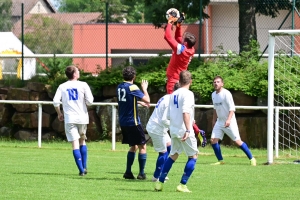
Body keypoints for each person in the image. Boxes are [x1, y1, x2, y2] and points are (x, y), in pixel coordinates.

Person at [155, 70, 198, 193]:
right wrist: (189, 129)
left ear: (179, 81)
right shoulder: (188, 94)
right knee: (193, 156)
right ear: (190, 81)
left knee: (173, 155)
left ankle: (160, 182)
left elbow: (169, 115)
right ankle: (182, 185)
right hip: (184, 130)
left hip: (173, 129)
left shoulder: (173, 94)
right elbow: (185, 112)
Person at [53, 65, 94, 176]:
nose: (79, 72)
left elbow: (56, 102)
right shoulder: (83, 85)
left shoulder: (62, 86)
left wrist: (59, 113)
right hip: (82, 118)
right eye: (78, 71)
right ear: (75, 74)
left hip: (69, 118)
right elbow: (90, 101)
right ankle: (84, 166)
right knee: (82, 141)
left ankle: (81, 170)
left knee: (75, 144)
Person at [211, 75, 256, 166]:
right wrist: (213, 120)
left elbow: (232, 108)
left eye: (218, 82)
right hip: (219, 121)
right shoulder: (213, 95)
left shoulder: (226, 94)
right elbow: (215, 109)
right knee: (213, 140)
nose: (216, 83)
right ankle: (221, 160)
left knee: (237, 141)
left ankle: (252, 158)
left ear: (222, 84)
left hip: (229, 121)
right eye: (214, 82)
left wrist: (228, 120)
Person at [117, 66, 150, 180]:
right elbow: (148, 100)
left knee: (133, 146)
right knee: (142, 146)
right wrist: (144, 88)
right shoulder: (133, 87)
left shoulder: (120, 86)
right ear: (134, 77)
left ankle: (128, 172)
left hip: (123, 121)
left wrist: (138, 103)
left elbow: (127, 100)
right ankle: (141, 173)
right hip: (133, 122)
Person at [146, 83, 180, 182]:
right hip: (156, 128)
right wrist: (176, 126)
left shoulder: (167, 97)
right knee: (163, 152)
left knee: (169, 147)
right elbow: (164, 120)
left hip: (160, 127)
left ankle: (162, 173)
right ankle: (156, 177)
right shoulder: (171, 101)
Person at [164, 13, 196, 94]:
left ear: (185, 43)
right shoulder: (191, 49)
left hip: (174, 81)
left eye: (183, 38)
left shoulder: (181, 50)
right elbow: (178, 38)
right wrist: (179, 24)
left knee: (172, 104)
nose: (181, 38)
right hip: (181, 80)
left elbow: (167, 37)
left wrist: (170, 22)